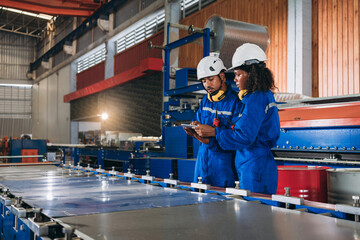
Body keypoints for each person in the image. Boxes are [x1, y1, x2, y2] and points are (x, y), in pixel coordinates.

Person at [194, 43, 280, 194]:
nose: (235, 79)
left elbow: (244, 136)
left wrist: (214, 133)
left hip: (254, 164)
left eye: (238, 74)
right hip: (250, 161)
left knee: (254, 210)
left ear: (252, 74)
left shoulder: (256, 99)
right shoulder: (256, 96)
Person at [183, 56, 241, 188]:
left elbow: (238, 136)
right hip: (202, 159)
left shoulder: (235, 102)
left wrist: (211, 139)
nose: (207, 85)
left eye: (211, 79)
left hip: (224, 163)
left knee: (223, 204)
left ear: (222, 77)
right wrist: (194, 128)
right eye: (203, 81)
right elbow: (197, 119)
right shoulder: (206, 100)